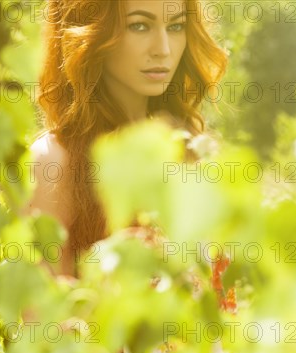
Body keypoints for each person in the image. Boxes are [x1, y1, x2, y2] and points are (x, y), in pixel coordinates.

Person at [27, 0, 228, 278]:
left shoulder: (191, 148)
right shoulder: (52, 162)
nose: (163, 49)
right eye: (140, 25)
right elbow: (38, 319)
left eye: (176, 26)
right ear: (89, 28)